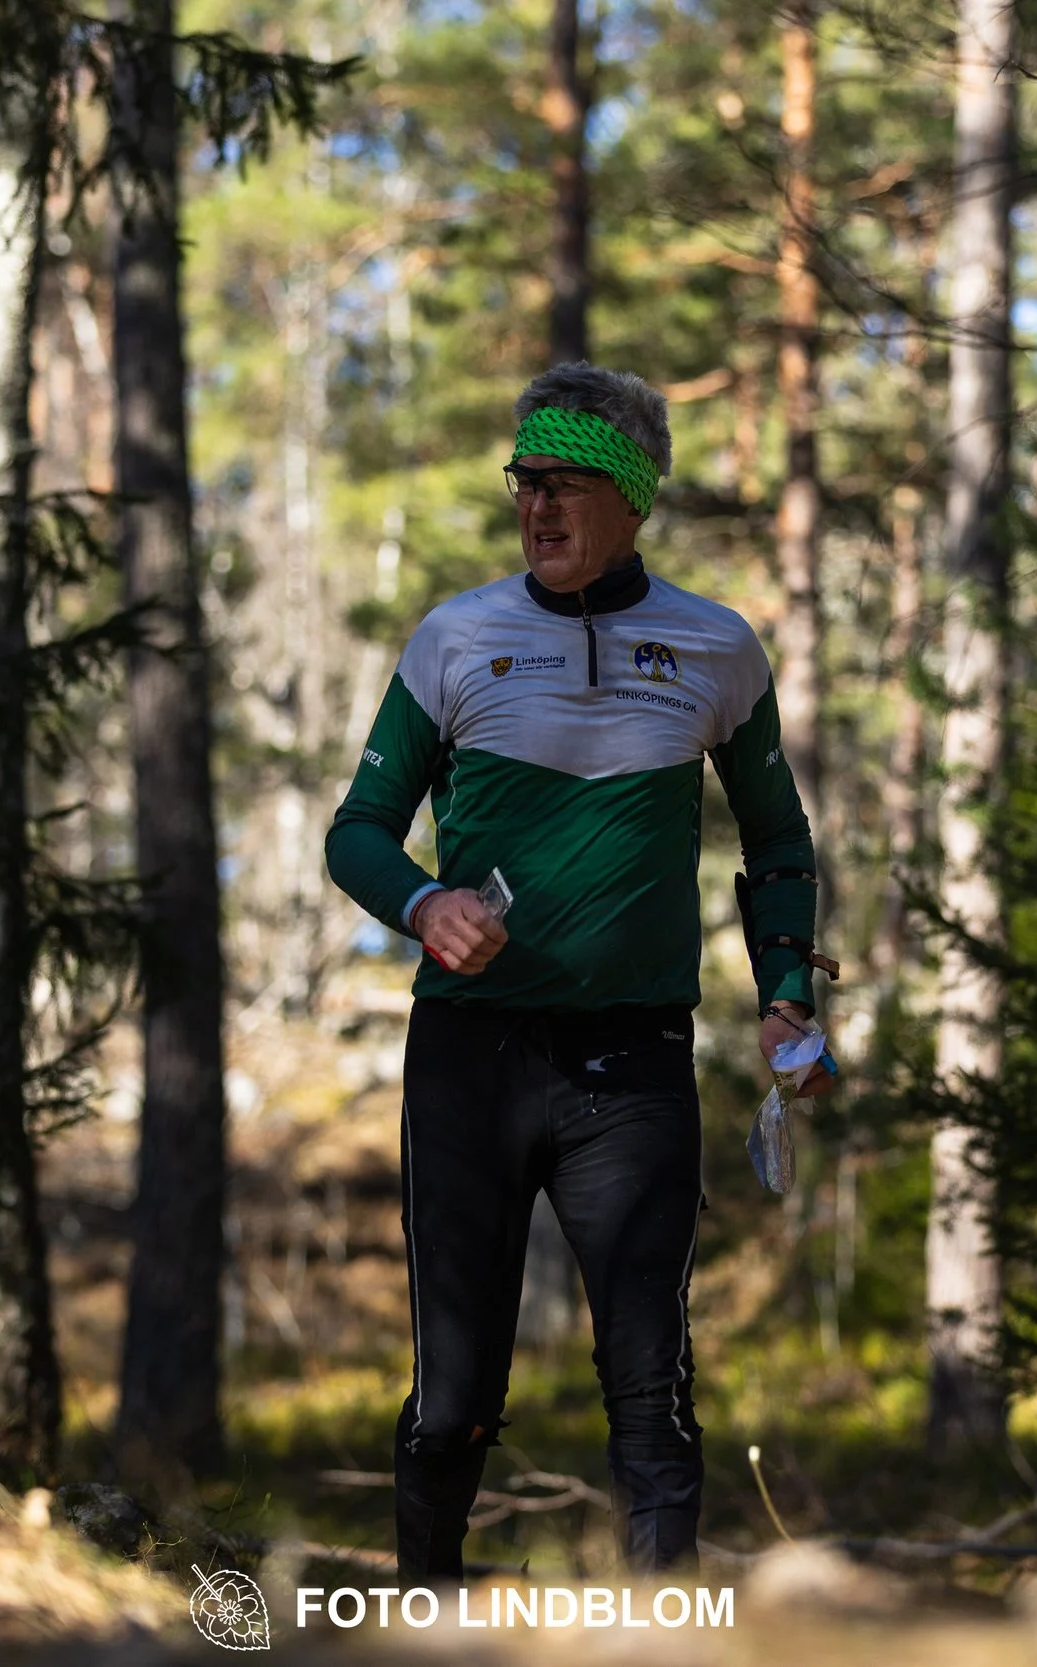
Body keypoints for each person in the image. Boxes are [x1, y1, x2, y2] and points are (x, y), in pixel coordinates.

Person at [324, 362, 835, 1579]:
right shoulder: (455, 637)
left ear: (633, 497)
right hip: (469, 1060)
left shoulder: (716, 648)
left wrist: (785, 1001)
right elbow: (357, 829)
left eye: (568, 483)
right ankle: (422, 1622)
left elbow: (779, 840)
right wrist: (424, 902)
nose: (538, 507)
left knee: (649, 1386)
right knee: (451, 1397)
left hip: (634, 1065)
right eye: (525, 481)